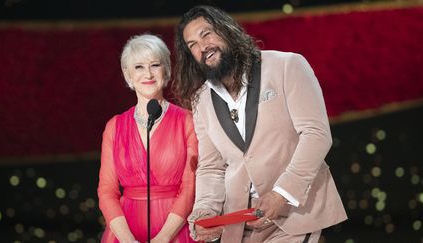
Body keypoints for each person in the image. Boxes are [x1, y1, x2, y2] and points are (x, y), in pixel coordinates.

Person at [172, 5, 347, 243]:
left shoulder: (287, 66)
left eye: (207, 34)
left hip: (293, 212)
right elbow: (211, 167)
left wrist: (282, 193)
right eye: (192, 45)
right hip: (238, 221)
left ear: (227, 30)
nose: (203, 47)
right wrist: (206, 211)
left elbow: (316, 135)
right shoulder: (201, 99)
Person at [98, 34, 198, 243]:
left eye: (155, 65)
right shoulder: (114, 127)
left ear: (166, 70)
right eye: (139, 67)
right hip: (125, 232)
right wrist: (127, 240)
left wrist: (163, 238)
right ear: (128, 74)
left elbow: (191, 187)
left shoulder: (186, 121)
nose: (148, 74)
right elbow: (107, 191)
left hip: (176, 231)